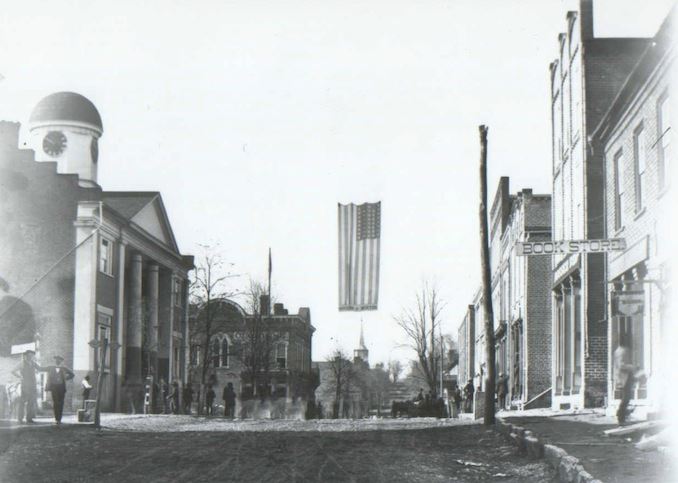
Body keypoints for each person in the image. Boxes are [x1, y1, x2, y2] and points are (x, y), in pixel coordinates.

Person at [11, 349, 42, 424]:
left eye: (31, 356)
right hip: (25, 385)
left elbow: (40, 369)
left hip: (32, 385)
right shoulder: (22, 363)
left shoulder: (33, 363)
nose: (30, 357)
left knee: (31, 402)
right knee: (22, 402)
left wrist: (51, 368)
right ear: (25, 356)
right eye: (28, 355)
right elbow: (13, 371)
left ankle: (29, 418)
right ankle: (20, 418)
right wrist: (20, 376)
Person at [45, 355, 75, 425]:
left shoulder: (64, 368)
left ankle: (59, 419)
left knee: (61, 403)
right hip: (54, 387)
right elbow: (41, 368)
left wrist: (65, 379)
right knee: (55, 402)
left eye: (59, 360)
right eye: (56, 360)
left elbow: (72, 374)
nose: (57, 361)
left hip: (61, 387)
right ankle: (57, 419)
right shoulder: (51, 368)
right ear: (54, 361)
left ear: (61, 361)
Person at [614, 344, 637, 425]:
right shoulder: (622, 351)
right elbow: (621, 365)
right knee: (626, 398)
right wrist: (632, 367)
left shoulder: (621, 350)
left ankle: (622, 415)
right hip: (624, 378)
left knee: (626, 398)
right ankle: (621, 417)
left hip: (625, 377)